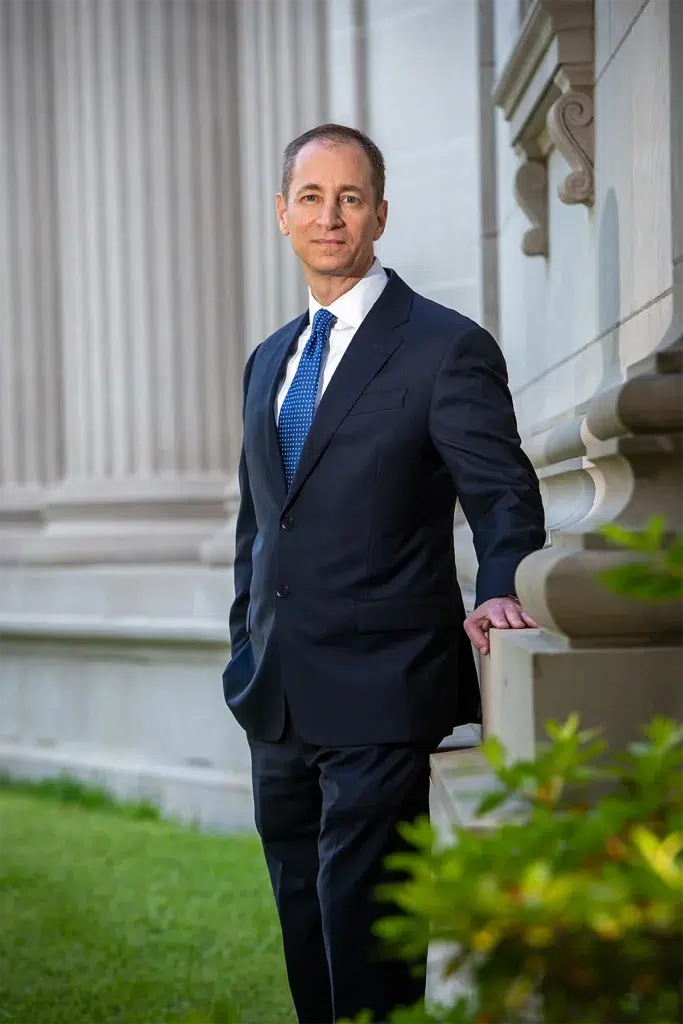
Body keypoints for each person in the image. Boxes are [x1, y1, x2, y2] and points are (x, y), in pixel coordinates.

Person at [223, 123, 545, 1024]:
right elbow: (259, 524)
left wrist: (500, 585)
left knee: (363, 928)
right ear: (282, 214)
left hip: (382, 685)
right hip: (275, 689)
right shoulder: (269, 360)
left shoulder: (443, 346)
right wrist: (241, 647)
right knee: (301, 920)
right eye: (313, 198)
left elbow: (503, 494)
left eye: (350, 197)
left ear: (379, 215)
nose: (331, 217)